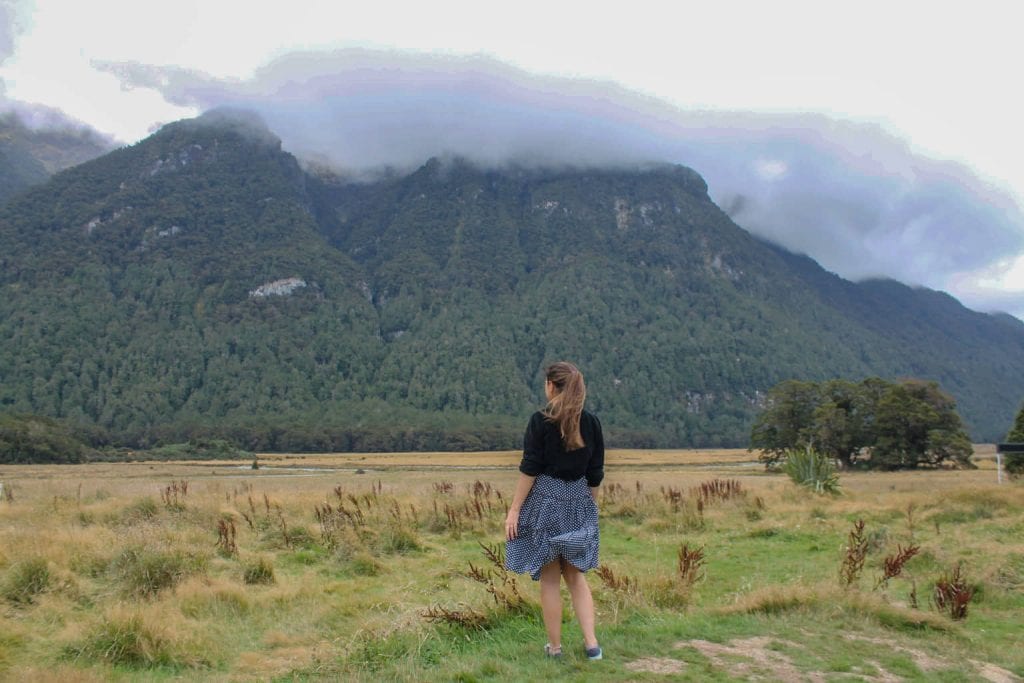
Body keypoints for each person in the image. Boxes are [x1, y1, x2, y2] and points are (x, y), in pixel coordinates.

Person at [505, 361, 605, 660]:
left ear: (551, 385)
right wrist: (591, 508)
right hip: (579, 500)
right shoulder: (591, 423)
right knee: (576, 577)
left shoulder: (540, 421)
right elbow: (595, 473)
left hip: (545, 501)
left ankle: (556, 649)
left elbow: (530, 469)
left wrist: (514, 510)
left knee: (550, 579)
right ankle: (592, 646)